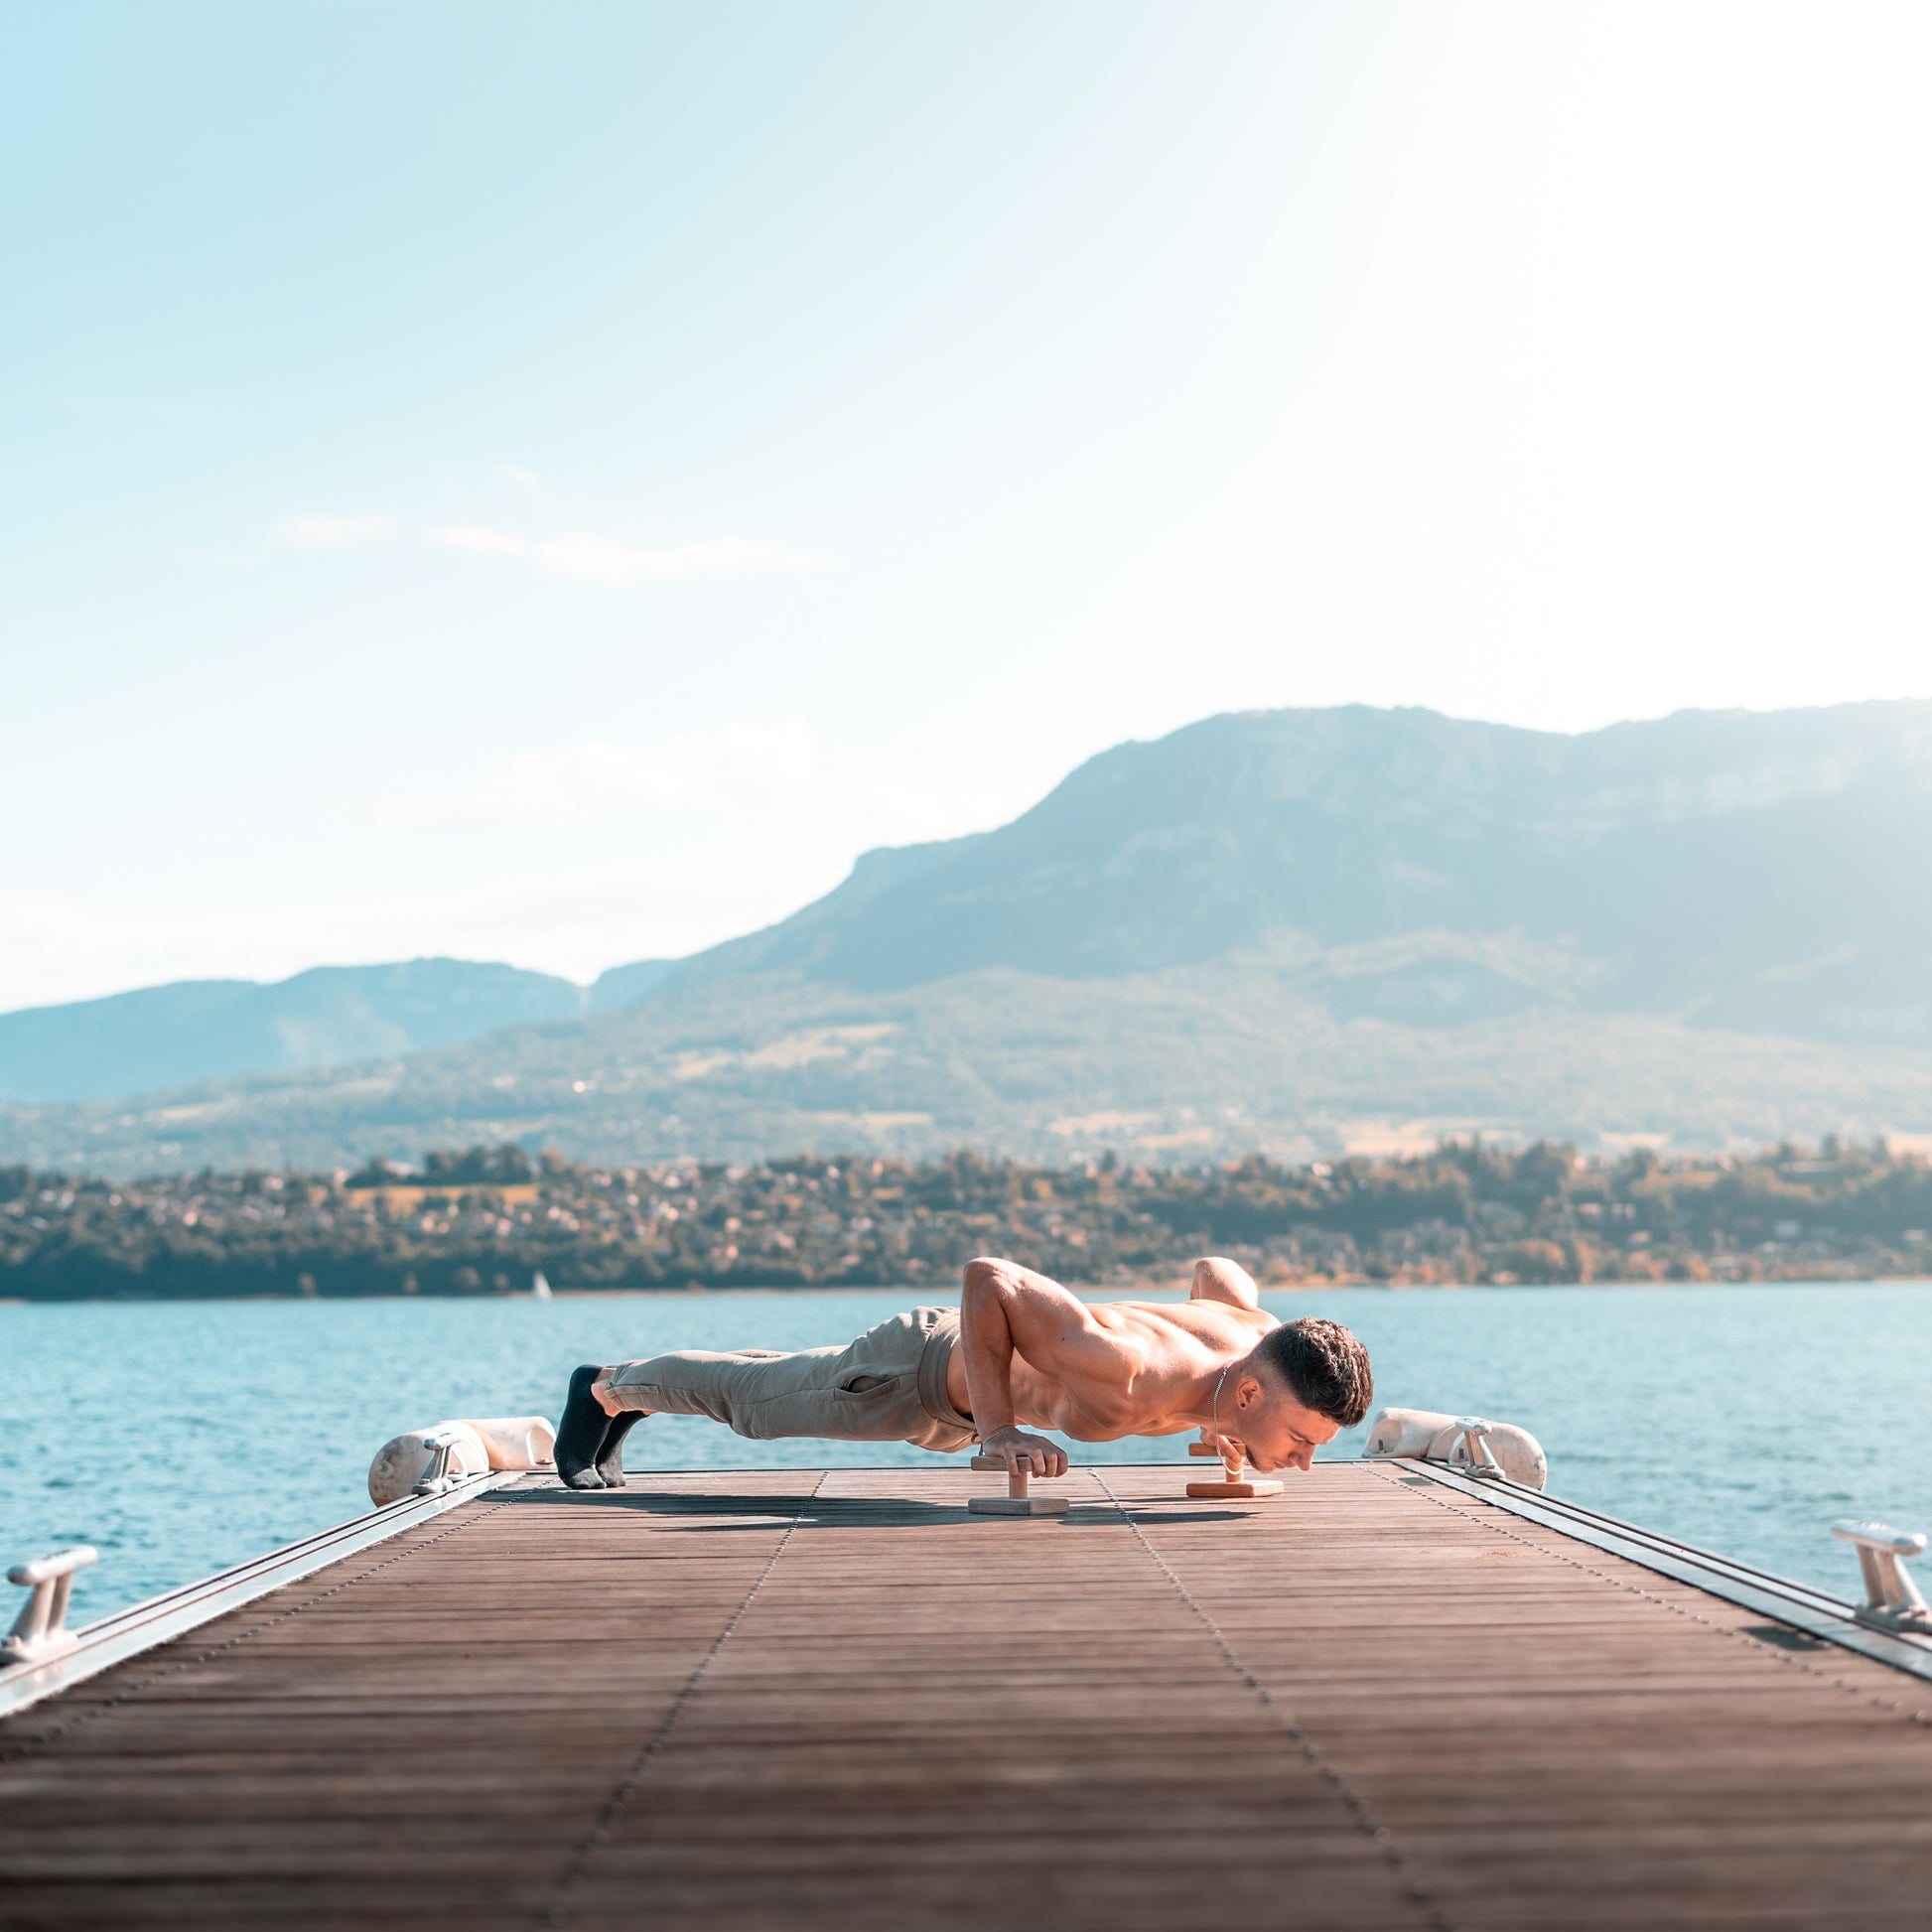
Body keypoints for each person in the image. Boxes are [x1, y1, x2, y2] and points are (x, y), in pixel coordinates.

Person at [551, 1253, 1373, 1489]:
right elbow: (992, 1279)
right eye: (1302, 1440)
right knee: (755, 1406)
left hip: (945, 1384)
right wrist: (1002, 1428)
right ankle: (606, 1387)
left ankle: (632, 1389)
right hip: (914, 1381)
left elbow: (1219, 1270)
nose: (1304, 1461)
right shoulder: (1127, 1372)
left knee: (787, 1376)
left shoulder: (1257, 1338)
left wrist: (1225, 1422)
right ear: (1259, 1388)